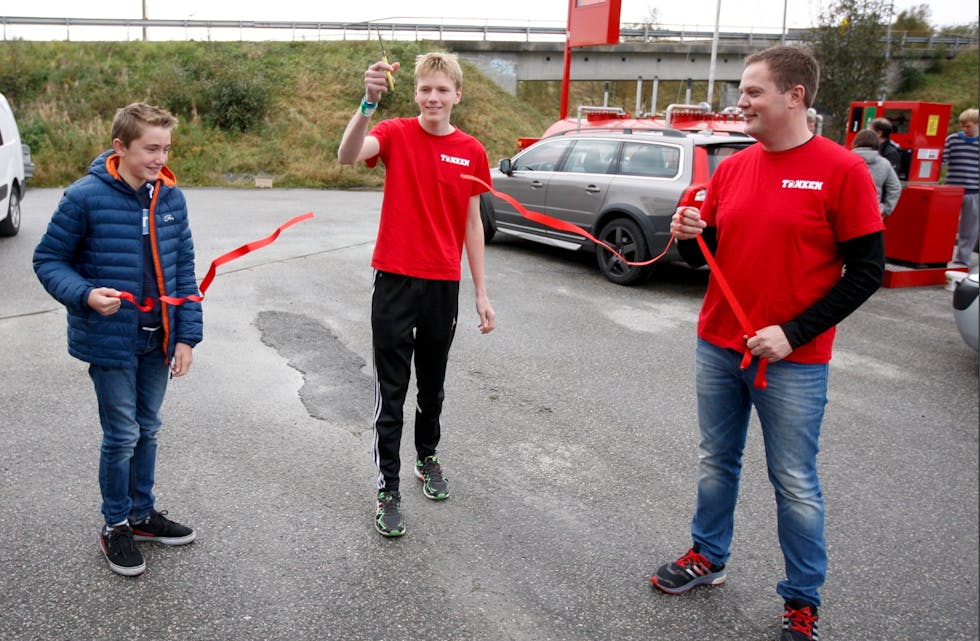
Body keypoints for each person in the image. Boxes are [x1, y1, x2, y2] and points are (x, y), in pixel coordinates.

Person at [650, 46, 884, 641]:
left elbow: (867, 271)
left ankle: (802, 601)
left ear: (794, 96)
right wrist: (687, 237)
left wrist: (793, 333)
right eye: (742, 91)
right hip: (718, 344)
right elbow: (711, 255)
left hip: (793, 361)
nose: (741, 101)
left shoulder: (844, 170)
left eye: (753, 91)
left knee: (795, 482)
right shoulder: (731, 168)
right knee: (715, 461)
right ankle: (708, 557)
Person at [33, 102, 203, 577]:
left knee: (148, 428)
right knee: (123, 433)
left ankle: (143, 515)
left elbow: (184, 271)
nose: (160, 158)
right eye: (151, 148)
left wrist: (187, 336)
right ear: (120, 147)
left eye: (166, 148)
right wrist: (85, 294)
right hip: (110, 339)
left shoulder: (170, 197)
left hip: (158, 340)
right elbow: (48, 261)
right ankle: (115, 524)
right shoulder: (85, 197)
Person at [337, 52, 496, 537]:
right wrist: (367, 103)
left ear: (457, 96)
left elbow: (473, 223)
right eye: (425, 89)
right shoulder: (395, 133)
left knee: (432, 387)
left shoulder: (471, 150)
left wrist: (481, 294)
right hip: (394, 280)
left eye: (442, 90)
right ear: (416, 93)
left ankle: (427, 458)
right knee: (392, 391)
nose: (433, 97)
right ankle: (388, 486)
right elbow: (347, 156)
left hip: (442, 285)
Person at [943, 108, 979, 267]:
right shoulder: (953, 140)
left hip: (974, 190)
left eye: (968, 126)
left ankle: (962, 259)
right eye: (962, 126)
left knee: (969, 228)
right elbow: (942, 160)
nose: (964, 129)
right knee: (945, 225)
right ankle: (941, 255)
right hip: (952, 189)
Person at [851, 128, 902, 218]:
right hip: (873, 213)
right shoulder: (884, 163)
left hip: (846, 213)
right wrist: (885, 210)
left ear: (856, 142)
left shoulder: (846, 160)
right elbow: (895, 187)